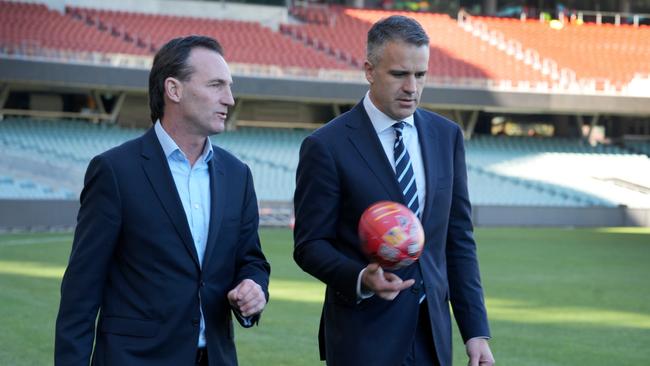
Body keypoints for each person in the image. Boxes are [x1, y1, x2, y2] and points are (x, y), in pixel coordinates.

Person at [55, 35, 270, 366]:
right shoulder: (115, 171)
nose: (229, 98)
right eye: (216, 85)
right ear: (174, 90)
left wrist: (254, 287)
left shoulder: (237, 174)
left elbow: (251, 259)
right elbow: (81, 291)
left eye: (229, 86)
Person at [293, 16, 494, 366]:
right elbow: (310, 245)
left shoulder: (447, 137)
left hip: (432, 337)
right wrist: (360, 278)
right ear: (369, 70)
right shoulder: (326, 145)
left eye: (421, 75)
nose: (412, 88)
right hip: (363, 339)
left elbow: (458, 239)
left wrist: (475, 332)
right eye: (399, 74)